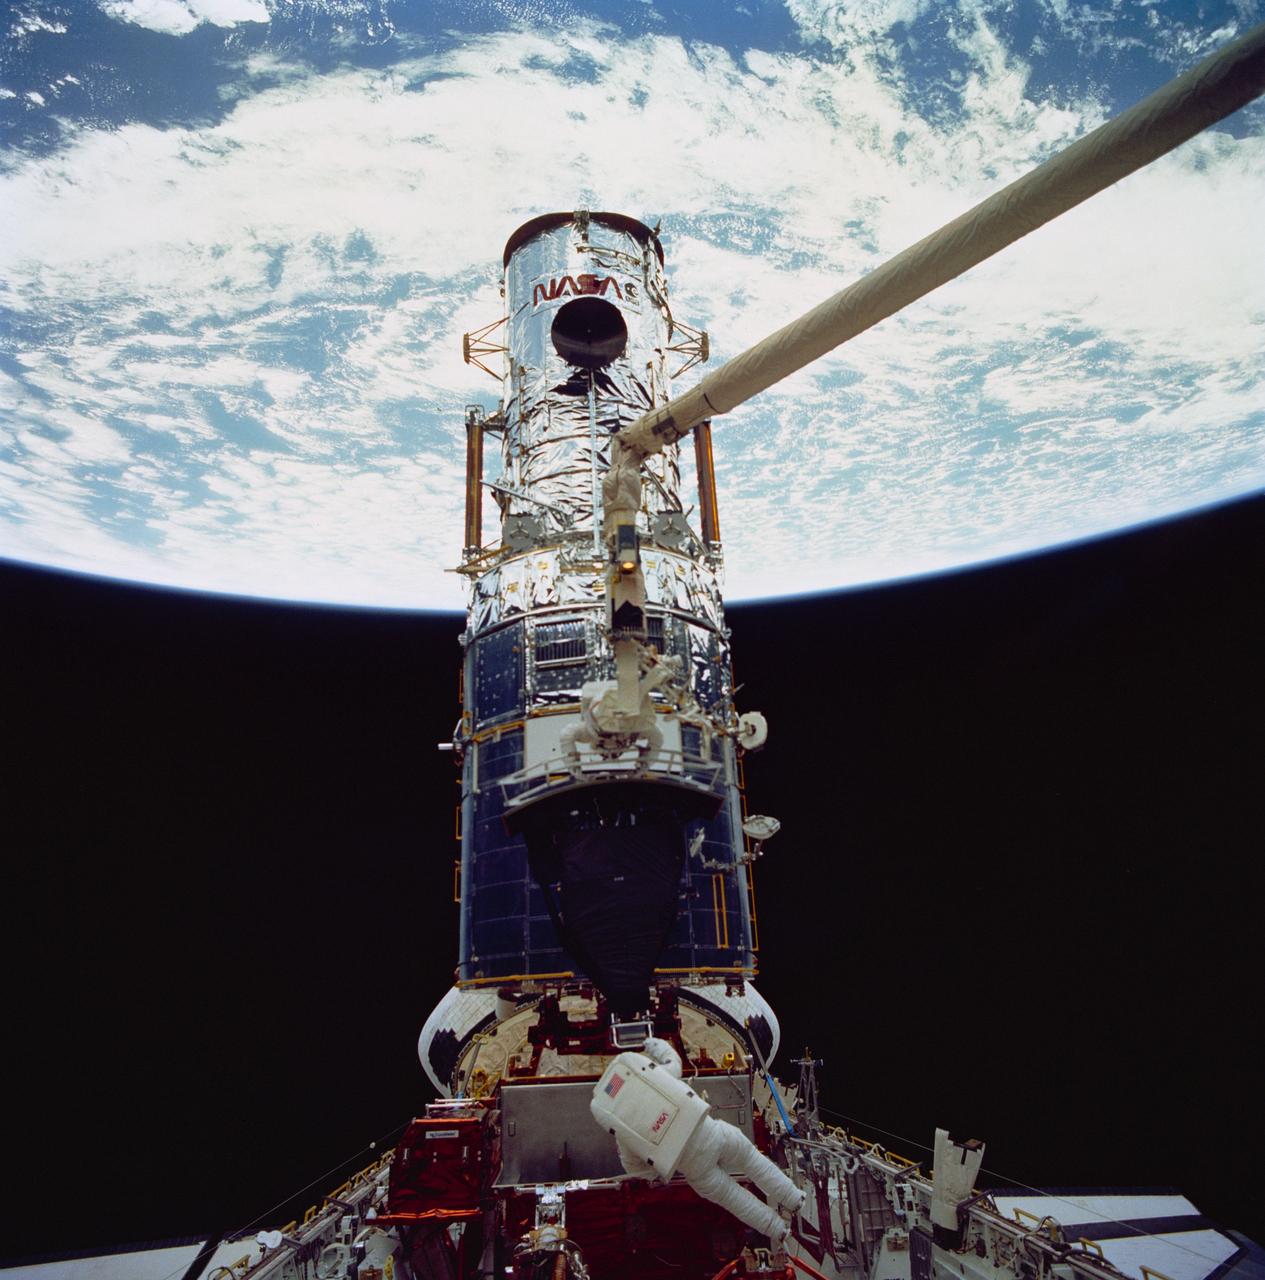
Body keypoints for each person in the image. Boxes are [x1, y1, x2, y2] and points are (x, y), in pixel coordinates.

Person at [591, 1037, 805, 1242]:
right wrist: (652, 1045)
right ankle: (794, 1198)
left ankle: (779, 1231)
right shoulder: (653, 1075)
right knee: (754, 1163)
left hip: (696, 1170)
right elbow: (673, 1060)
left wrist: (656, 1167)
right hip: (715, 1134)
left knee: (736, 1200)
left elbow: (638, 1171)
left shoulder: (620, 1129)